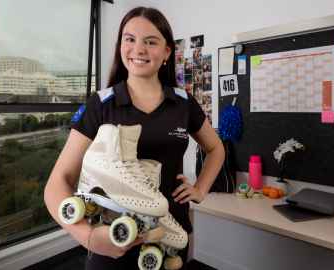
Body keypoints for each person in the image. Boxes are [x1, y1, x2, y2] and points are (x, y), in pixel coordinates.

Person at [43, 6, 225, 270]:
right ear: (121, 46)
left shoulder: (183, 103)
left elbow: (215, 148)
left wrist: (200, 189)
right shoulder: (102, 104)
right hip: (111, 235)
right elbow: (58, 183)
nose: (138, 49)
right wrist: (88, 237)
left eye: (150, 42)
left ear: (166, 52)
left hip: (169, 232)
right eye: (129, 39)